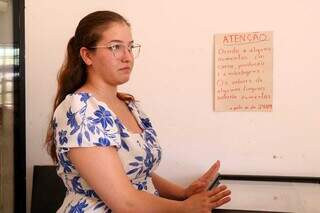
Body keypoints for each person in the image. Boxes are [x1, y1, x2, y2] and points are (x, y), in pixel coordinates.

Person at [45, 10, 231, 213]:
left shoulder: (130, 105)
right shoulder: (80, 109)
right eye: (115, 47)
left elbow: (138, 172)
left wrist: (183, 193)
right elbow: (125, 202)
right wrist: (185, 207)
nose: (127, 57)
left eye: (130, 47)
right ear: (87, 55)